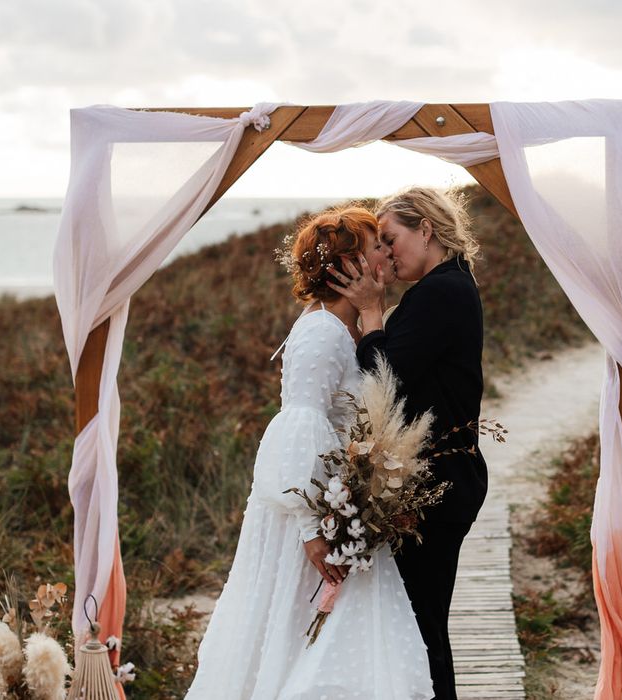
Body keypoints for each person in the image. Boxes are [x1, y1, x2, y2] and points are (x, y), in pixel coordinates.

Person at [185, 207, 433, 700]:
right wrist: (311, 530)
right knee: (305, 640)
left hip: (339, 512)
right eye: (375, 245)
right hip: (315, 520)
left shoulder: (346, 329)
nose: (386, 251)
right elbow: (299, 426)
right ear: (348, 266)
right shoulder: (321, 332)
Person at [327, 187, 487, 700]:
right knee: (422, 622)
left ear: (427, 229)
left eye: (392, 238)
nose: (388, 252)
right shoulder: (449, 286)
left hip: (439, 482)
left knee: (421, 627)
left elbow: (386, 381)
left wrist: (372, 314)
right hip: (446, 476)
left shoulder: (440, 292)